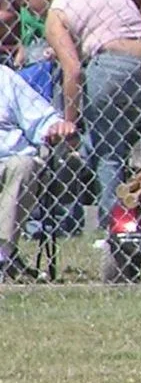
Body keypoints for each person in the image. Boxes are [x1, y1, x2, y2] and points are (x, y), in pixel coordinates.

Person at [11, 0, 141, 228]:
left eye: (28, 4)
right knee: (139, 146)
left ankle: (112, 227)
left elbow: (72, 71)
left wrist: (68, 121)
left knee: (107, 152)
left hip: (107, 69)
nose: (32, 13)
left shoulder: (56, 12)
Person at [0, 64, 76, 281]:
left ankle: (1, 255)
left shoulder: (4, 77)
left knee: (25, 165)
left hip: (8, 161)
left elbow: (42, 118)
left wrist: (57, 126)